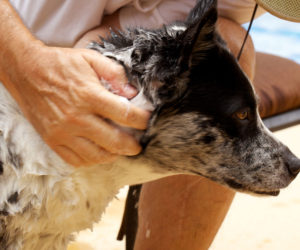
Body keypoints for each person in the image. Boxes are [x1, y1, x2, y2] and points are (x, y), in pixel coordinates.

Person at [0, 1, 299, 250]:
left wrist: (88, 75)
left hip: (76, 53)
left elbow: (137, 28)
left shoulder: (245, 1)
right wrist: (28, 64)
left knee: (232, 41)